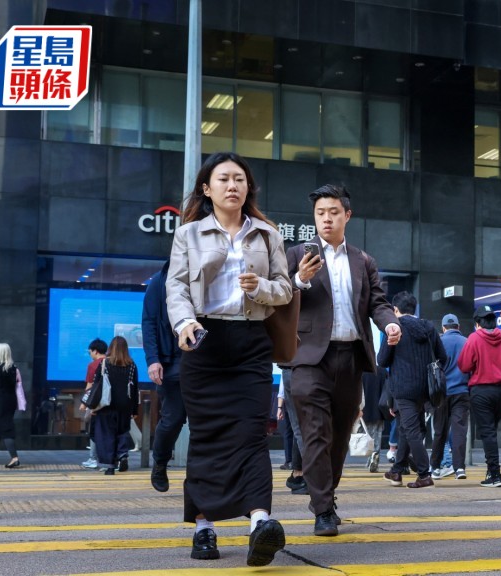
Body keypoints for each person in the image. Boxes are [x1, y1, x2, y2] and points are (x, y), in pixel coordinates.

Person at [166, 151, 292, 565]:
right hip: (203, 340)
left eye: (239, 179)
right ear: (207, 188)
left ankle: (260, 522)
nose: (233, 186)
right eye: (223, 179)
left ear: (248, 187)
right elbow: (177, 287)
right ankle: (204, 528)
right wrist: (184, 323)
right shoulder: (189, 234)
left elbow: (285, 291)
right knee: (207, 436)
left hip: (250, 342)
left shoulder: (268, 234)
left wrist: (259, 288)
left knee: (253, 432)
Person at [285, 183, 400, 537]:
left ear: (347, 215)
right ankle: (322, 510)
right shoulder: (295, 255)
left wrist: (390, 323)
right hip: (307, 359)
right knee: (315, 434)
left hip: (351, 359)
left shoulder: (363, 261)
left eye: (333, 212)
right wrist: (299, 280)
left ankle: (327, 497)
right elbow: (275, 297)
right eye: (320, 213)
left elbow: (378, 303)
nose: (326, 219)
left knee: (338, 438)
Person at [378, 291, 447, 489]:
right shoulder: (429, 327)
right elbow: (443, 357)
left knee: (411, 430)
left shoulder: (394, 329)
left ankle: (424, 474)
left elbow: (382, 361)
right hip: (425, 388)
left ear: (396, 310)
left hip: (403, 389)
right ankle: (397, 471)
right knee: (405, 428)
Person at [142, 261, 186, 492]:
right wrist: (153, 360)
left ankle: (202, 475)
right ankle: (160, 463)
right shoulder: (159, 282)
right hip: (172, 362)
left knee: (205, 422)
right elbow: (148, 323)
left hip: (202, 361)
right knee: (173, 420)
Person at [458, 305, 501, 487]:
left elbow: (464, 365)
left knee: (488, 432)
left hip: (481, 390)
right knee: (491, 431)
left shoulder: (474, 338)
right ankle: (492, 471)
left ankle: (495, 474)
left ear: (477, 323)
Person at [89, 336, 139, 475]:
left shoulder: (104, 363)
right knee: (122, 431)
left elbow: (96, 386)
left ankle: (109, 465)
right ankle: (122, 454)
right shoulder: (132, 365)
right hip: (125, 405)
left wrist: (93, 407)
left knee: (106, 434)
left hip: (106, 404)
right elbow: (135, 389)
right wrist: (134, 409)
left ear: (111, 348)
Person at [431, 313, 471, 480]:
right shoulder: (467, 342)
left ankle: (435, 467)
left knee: (439, 431)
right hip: (462, 391)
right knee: (459, 429)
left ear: (443, 327)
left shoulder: (438, 342)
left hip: (441, 392)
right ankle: (459, 468)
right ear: (458, 327)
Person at [80, 339, 108, 469]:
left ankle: (93, 458)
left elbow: (89, 386)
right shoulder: (111, 362)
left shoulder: (93, 365)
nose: (90, 354)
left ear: (95, 351)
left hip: (95, 402)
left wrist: (85, 403)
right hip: (109, 401)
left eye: (90, 351)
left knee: (93, 430)